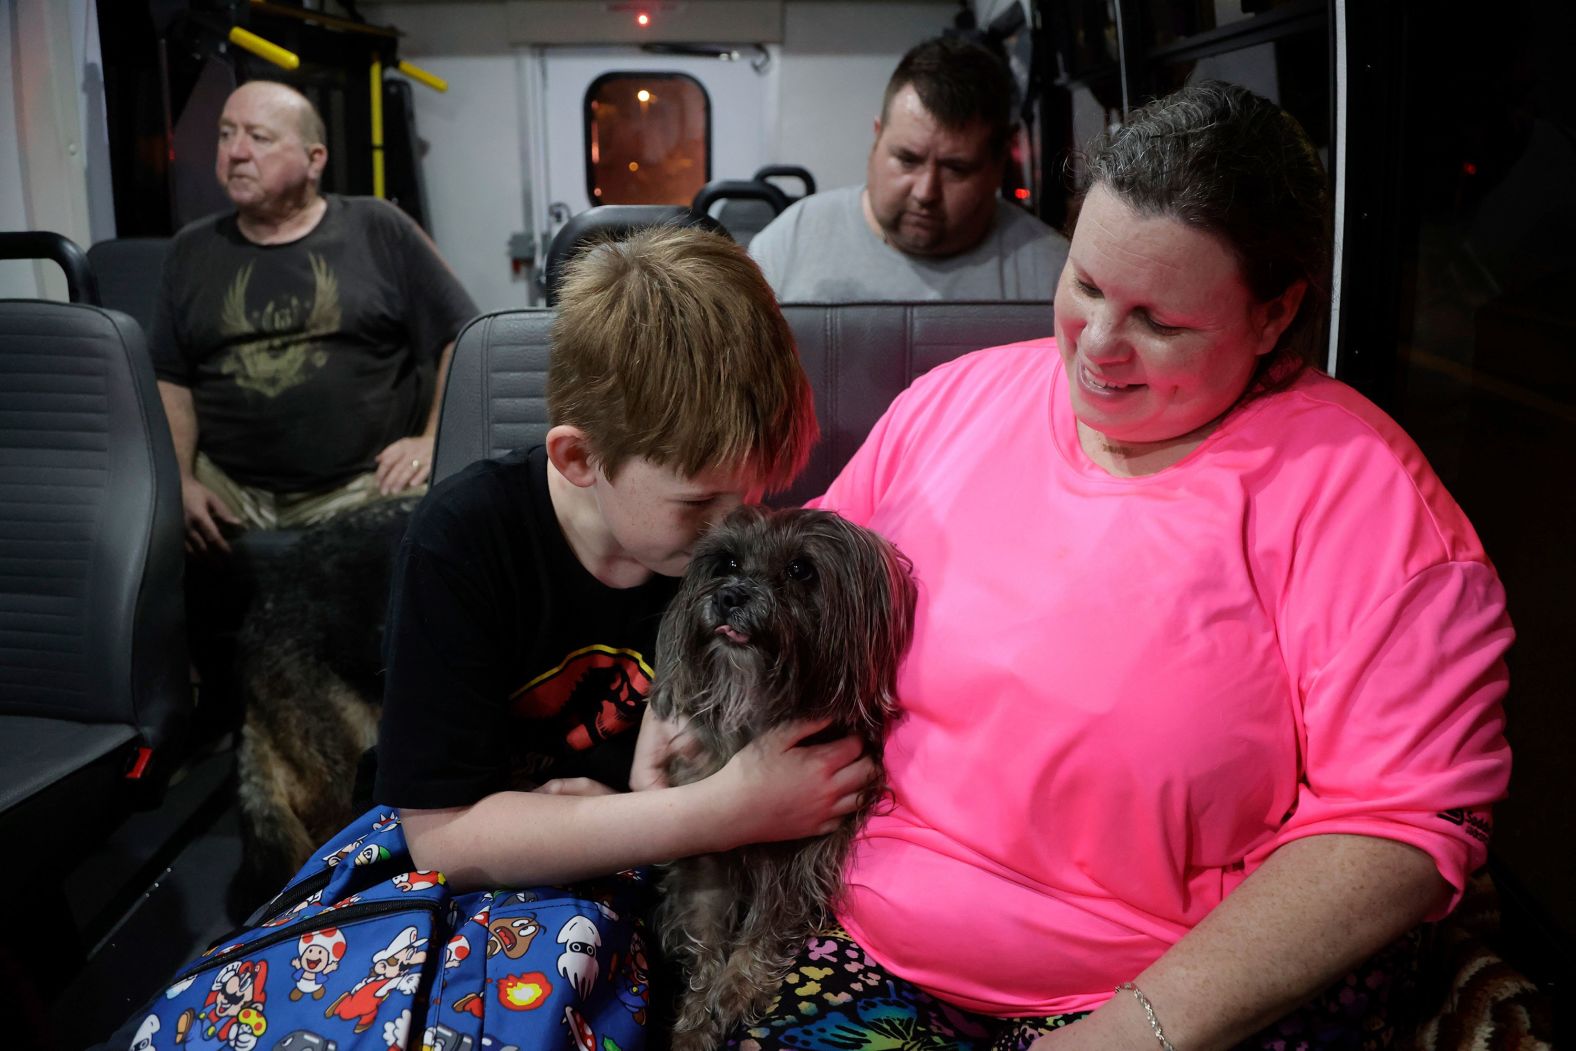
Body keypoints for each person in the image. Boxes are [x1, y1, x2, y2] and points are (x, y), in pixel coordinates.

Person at [733, 82, 1514, 1050]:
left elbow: (1398, 824)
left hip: (1154, 990)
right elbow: (781, 598)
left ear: (1272, 316)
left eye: (1159, 321)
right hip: (866, 937)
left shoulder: (1370, 508)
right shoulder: (954, 405)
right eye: (1087, 287)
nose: (1097, 348)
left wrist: (1131, 1030)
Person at [375, 225, 863, 903]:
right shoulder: (461, 541)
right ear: (579, 458)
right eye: (698, 500)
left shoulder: (704, 547)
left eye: (753, 491)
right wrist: (728, 809)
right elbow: (443, 838)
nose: (736, 526)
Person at [150, 80, 477, 554]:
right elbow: (170, 375)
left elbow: (463, 335)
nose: (236, 152)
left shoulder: (376, 228)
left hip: (363, 487)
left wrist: (432, 440)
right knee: (143, 511)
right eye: (225, 134)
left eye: (258, 138)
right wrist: (178, 478)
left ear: (314, 159)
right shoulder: (191, 250)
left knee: (444, 520)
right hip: (229, 488)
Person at [748, 36, 1069, 301]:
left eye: (956, 169)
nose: (925, 192)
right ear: (877, 137)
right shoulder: (788, 244)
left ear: (999, 165)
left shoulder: (1053, 274)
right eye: (907, 159)